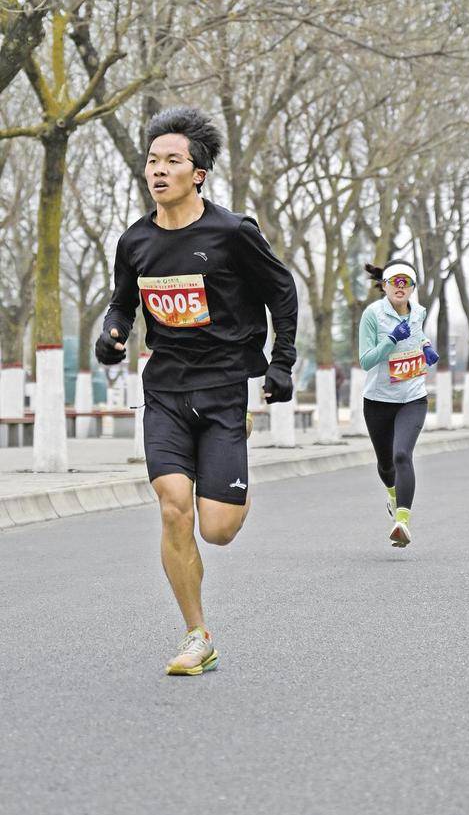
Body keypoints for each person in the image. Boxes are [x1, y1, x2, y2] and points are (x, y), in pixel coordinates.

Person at [95, 106, 297, 675]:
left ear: (198, 173)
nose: (159, 170)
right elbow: (122, 301)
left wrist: (282, 364)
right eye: (153, 161)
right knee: (173, 509)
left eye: (172, 161)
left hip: (225, 388)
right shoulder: (135, 241)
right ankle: (196, 635)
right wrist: (111, 334)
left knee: (219, 528)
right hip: (163, 390)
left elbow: (283, 291)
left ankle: (231, 482)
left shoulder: (233, 234)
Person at [358, 260, 439, 548]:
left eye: (406, 283)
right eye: (395, 282)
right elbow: (366, 359)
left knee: (402, 455)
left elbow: (417, 335)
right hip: (378, 400)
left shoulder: (419, 312)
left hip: (413, 396)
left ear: (413, 288)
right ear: (385, 286)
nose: (400, 287)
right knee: (385, 464)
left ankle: (402, 522)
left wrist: (426, 347)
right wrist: (391, 339)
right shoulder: (372, 315)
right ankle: (392, 495)